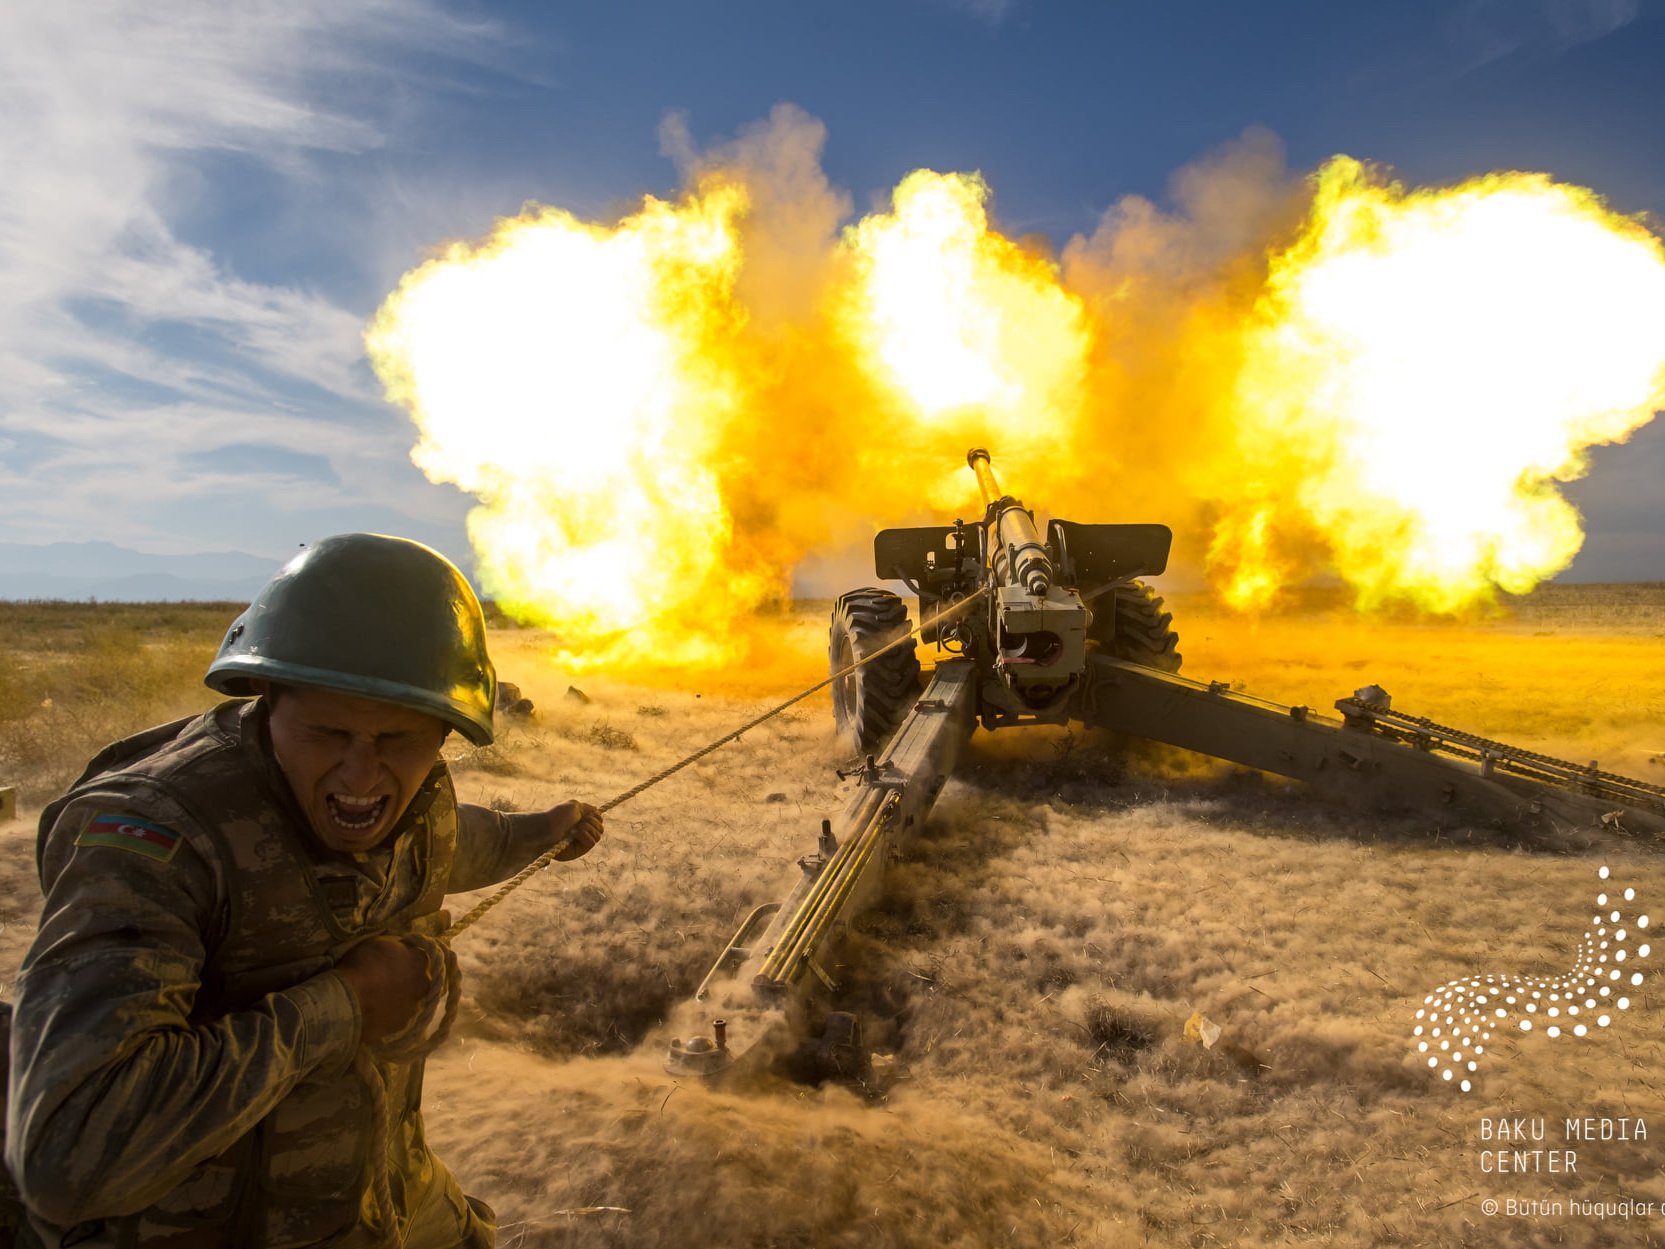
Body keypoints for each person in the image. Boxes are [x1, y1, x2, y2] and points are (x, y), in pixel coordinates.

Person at [3, 533, 602, 1248]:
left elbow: (448, 843)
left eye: (398, 739)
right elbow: (69, 1163)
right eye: (328, 733)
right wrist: (342, 1007)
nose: (359, 776)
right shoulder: (157, 841)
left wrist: (542, 832)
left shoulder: (415, 801)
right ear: (265, 696)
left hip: (381, 1200)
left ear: (446, 733)